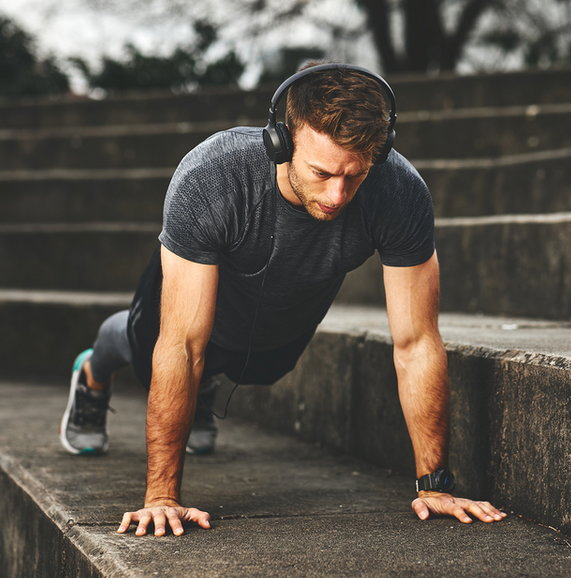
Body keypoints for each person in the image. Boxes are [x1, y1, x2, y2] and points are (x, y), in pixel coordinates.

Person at [59, 63, 506, 537]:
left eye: (354, 176)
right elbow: (182, 345)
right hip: (198, 289)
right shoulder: (213, 176)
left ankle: (204, 387)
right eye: (322, 172)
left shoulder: (399, 192)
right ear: (282, 140)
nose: (337, 196)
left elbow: (416, 342)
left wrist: (433, 485)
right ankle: (92, 372)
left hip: (282, 307)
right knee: (153, 350)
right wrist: (162, 498)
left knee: (264, 367)